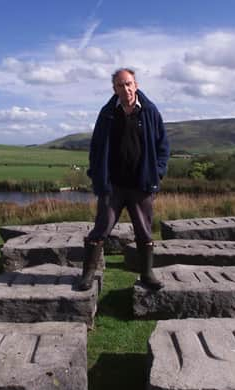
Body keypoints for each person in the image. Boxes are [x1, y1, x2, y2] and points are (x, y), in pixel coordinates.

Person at [77, 68, 170, 291]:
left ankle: (147, 274)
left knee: (144, 231)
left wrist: (157, 172)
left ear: (135, 85)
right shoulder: (107, 113)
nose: (125, 89)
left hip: (141, 184)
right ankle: (88, 274)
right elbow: (96, 148)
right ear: (114, 89)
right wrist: (96, 175)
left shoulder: (149, 111)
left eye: (128, 84)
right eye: (120, 85)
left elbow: (163, 146)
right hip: (113, 186)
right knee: (101, 229)